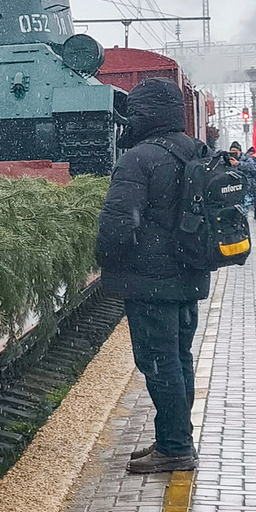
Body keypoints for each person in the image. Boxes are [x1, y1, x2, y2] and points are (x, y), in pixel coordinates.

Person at [96, 76, 212, 476]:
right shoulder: (195, 150)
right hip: (189, 274)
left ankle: (176, 448)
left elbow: (118, 224)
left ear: (143, 114)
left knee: (160, 364)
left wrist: (105, 261)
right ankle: (174, 437)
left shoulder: (139, 158)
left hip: (151, 281)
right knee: (180, 359)